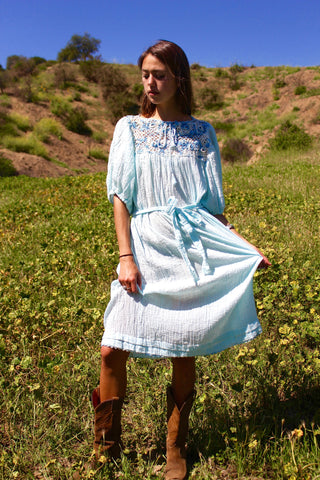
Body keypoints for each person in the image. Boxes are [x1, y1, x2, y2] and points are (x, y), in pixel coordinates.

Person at [92, 40, 271, 480]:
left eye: (160, 75)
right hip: (145, 245)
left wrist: (242, 248)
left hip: (192, 247)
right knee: (112, 347)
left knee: (184, 346)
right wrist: (125, 255)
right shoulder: (130, 128)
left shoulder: (202, 132)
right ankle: (106, 448)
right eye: (146, 75)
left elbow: (211, 207)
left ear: (179, 79)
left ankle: (176, 446)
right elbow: (120, 197)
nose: (151, 83)